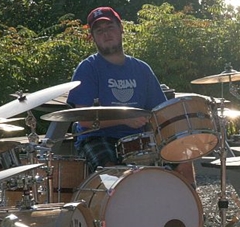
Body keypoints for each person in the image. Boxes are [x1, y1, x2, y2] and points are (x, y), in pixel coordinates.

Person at [66, 6, 195, 185]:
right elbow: (84, 121)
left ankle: (189, 212)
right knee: (114, 174)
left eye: (110, 27)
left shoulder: (142, 69)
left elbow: (158, 114)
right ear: (92, 37)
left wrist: (174, 140)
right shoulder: (87, 69)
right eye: (99, 30)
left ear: (121, 28)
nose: (106, 34)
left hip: (138, 139)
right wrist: (124, 119)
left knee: (183, 160)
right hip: (98, 137)